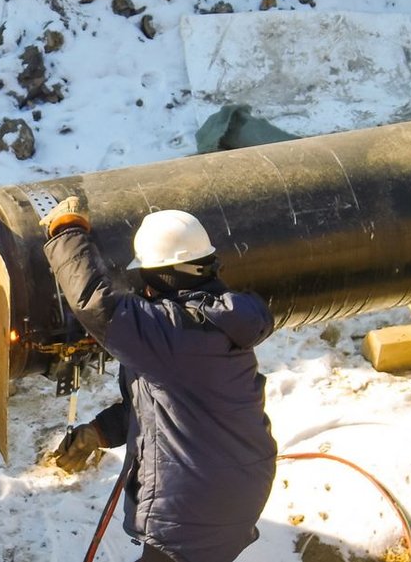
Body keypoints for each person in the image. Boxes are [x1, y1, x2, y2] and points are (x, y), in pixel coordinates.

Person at [40, 198, 277, 562]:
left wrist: (67, 230)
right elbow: (165, 407)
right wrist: (99, 433)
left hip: (193, 507)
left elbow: (95, 303)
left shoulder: (171, 330)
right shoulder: (220, 321)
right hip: (236, 487)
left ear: (161, 276)